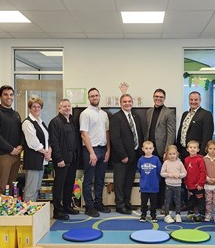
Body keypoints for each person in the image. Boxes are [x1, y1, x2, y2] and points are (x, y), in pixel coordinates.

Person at [109, 93, 144, 214]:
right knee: (119, 182)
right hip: (121, 157)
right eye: (125, 102)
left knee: (129, 180)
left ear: (132, 102)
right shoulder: (116, 117)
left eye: (129, 101)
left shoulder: (136, 116)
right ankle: (120, 205)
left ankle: (127, 202)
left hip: (134, 156)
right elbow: (115, 138)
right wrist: (122, 155)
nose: (127, 103)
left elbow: (139, 135)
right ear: (120, 103)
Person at [80, 88, 111, 217]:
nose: (94, 98)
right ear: (89, 98)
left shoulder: (104, 114)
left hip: (103, 149)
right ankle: (89, 206)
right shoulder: (85, 114)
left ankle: (98, 203)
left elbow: (107, 133)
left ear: (99, 97)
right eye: (92, 96)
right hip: (90, 150)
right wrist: (92, 153)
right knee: (88, 180)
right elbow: (84, 134)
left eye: (96, 95)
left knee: (100, 179)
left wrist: (108, 150)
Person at [49, 99, 80, 220]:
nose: (67, 108)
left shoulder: (72, 121)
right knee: (59, 186)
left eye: (68, 106)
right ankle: (57, 210)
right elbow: (54, 142)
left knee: (69, 185)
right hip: (62, 160)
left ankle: (67, 206)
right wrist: (59, 158)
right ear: (59, 108)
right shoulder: (55, 122)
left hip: (72, 159)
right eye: (64, 106)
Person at [0, 85, 22, 194]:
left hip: (16, 155)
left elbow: (21, 133)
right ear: (0, 96)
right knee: (1, 186)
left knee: (11, 187)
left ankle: (8, 210)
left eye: (11, 95)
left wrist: (20, 146)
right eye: (6, 94)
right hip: (2, 155)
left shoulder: (16, 114)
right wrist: (11, 149)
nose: (9, 97)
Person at [145, 88, 176, 208]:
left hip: (162, 150)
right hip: (150, 151)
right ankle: (155, 203)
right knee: (153, 177)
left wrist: (167, 151)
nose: (158, 99)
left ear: (164, 99)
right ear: (153, 97)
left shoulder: (169, 113)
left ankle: (165, 203)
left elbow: (171, 133)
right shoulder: (149, 112)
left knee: (164, 179)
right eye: (156, 96)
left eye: (161, 97)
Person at [21, 97, 51, 202]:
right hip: (33, 160)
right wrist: (46, 152)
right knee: (30, 190)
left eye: (39, 106)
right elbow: (33, 143)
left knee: (37, 188)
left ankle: (33, 214)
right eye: (34, 106)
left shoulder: (40, 122)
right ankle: (27, 215)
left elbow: (47, 139)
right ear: (30, 108)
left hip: (41, 160)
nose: (36, 108)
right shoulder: (27, 123)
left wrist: (48, 152)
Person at [177, 91, 214, 161]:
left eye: (196, 100)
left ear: (200, 100)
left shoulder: (206, 114)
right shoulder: (185, 114)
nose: (193, 102)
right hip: (183, 152)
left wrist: (201, 155)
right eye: (191, 100)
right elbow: (180, 133)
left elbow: (207, 136)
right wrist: (178, 150)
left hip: (196, 153)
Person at [160, 145, 187, 224]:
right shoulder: (166, 162)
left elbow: (184, 173)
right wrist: (168, 174)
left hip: (177, 185)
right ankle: (166, 215)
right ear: (167, 154)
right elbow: (162, 173)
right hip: (168, 185)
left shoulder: (179, 163)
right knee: (167, 200)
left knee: (178, 201)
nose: (172, 156)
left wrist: (179, 175)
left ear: (177, 154)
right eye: (170, 154)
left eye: (174, 154)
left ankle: (178, 214)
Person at [137, 141, 161, 223]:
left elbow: (159, 171)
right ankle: (143, 215)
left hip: (154, 186)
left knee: (153, 203)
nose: (148, 150)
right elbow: (140, 170)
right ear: (143, 149)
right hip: (144, 186)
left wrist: (156, 181)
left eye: (150, 148)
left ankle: (153, 215)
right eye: (146, 148)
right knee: (143, 203)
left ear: (153, 149)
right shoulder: (141, 159)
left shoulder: (156, 159)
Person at [183, 140, 206, 222]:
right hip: (190, 185)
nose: (192, 149)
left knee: (200, 200)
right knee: (191, 199)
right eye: (191, 147)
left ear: (198, 149)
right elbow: (185, 172)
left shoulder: (200, 159)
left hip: (198, 185)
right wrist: (185, 182)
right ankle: (191, 212)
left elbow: (203, 172)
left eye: (194, 147)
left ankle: (202, 214)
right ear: (187, 149)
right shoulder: (186, 159)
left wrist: (200, 183)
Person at [203, 140, 215, 222]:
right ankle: (208, 213)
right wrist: (207, 178)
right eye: (210, 148)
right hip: (207, 184)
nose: (212, 150)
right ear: (207, 149)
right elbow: (202, 171)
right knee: (208, 200)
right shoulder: (204, 159)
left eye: (214, 149)